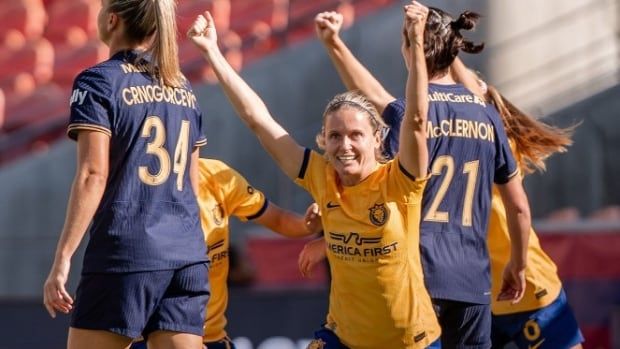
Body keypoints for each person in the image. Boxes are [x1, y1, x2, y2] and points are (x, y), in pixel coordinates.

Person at [188, 4, 441, 348]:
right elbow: (259, 121)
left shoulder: (399, 181)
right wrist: (213, 52)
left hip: (410, 342)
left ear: (377, 138)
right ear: (323, 140)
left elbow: (415, 121)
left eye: (355, 135)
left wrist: (415, 40)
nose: (344, 145)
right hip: (343, 339)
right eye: (334, 136)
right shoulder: (321, 176)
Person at [313, 7, 532, 348]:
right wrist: (518, 265)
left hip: (418, 277)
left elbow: (370, 93)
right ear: (454, 50)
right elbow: (518, 206)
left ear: (408, 47)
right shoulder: (487, 116)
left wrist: (334, 44)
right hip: (473, 281)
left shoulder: (411, 113)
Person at [42, 1, 209, 348]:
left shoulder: (98, 80)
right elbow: (193, 186)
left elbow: (92, 175)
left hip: (126, 253)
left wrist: (63, 257)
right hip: (187, 255)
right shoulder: (184, 89)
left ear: (113, 20)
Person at [131, 158, 323, 349]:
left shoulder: (217, 176)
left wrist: (308, 225)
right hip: (147, 337)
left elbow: (278, 220)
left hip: (212, 336)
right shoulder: (131, 181)